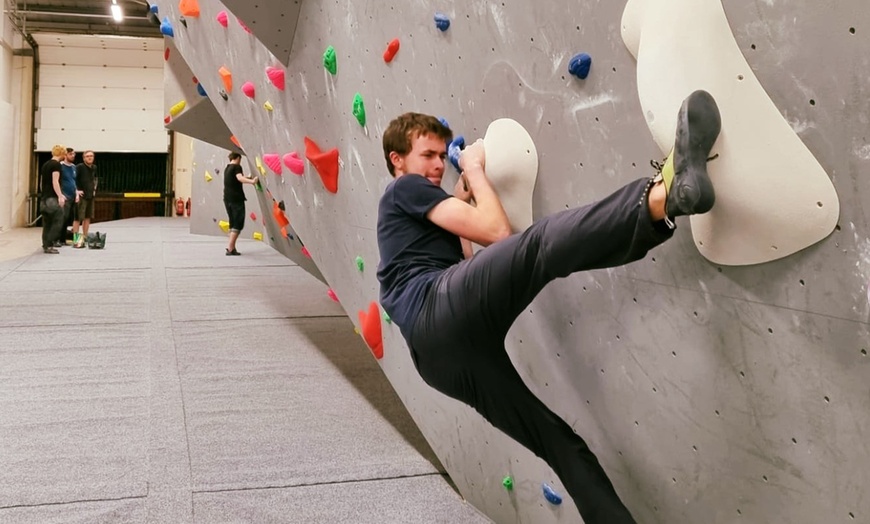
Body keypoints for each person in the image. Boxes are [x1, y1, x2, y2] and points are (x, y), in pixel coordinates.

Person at [376, 90, 721, 524]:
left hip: (439, 358)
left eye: (443, 157)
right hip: (437, 308)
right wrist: (475, 169)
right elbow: (498, 233)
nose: (436, 166)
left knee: (558, 442)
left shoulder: (416, 213)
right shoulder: (403, 190)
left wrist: (464, 193)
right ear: (397, 160)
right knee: (537, 245)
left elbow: (465, 259)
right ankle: (664, 196)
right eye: (427, 154)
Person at [222, 152, 258, 255]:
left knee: (232, 222)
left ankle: (232, 247)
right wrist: (252, 182)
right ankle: (230, 248)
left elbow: (235, 179)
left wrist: (247, 177)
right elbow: (239, 178)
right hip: (236, 199)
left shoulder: (227, 168)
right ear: (238, 158)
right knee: (238, 223)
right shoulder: (237, 166)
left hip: (227, 198)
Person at [39, 145, 67, 254]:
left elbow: (42, 182)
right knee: (58, 220)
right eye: (64, 153)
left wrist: (43, 194)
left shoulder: (45, 164)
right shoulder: (56, 165)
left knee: (47, 223)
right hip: (52, 198)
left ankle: (45, 244)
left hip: (44, 199)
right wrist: (60, 195)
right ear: (61, 153)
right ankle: (50, 244)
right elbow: (55, 181)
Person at [72, 150, 97, 248]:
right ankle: (76, 238)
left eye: (91, 156)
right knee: (78, 217)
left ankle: (85, 237)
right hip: (81, 195)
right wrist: (76, 191)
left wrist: (94, 189)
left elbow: (94, 179)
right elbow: (73, 179)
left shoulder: (94, 167)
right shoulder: (79, 167)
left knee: (88, 216)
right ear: (84, 158)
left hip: (90, 194)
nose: (90, 158)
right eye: (87, 156)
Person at [59, 147, 79, 246]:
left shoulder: (73, 167)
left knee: (69, 218)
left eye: (74, 154)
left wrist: (76, 193)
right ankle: (59, 238)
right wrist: (60, 195)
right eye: (71, 154)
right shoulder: (60, 166)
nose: (73, 156)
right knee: (62, 218)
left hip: (72, 196)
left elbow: (74, 181)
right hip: (64, 195)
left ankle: (64, 238)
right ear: (65, 155)